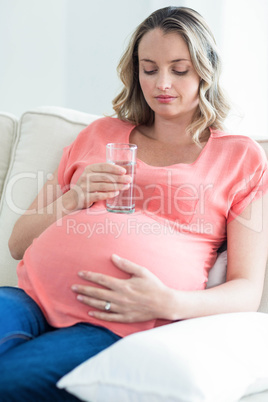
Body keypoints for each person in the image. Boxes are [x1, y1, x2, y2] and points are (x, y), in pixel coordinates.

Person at [1, 6, 268, 401]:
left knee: (10, 382)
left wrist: (169, 302)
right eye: (149, 68)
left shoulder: (240, 158)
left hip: (117, 322)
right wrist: (76, 197)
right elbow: (17, 243)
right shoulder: (100, 134)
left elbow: (247, 289)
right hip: (30, 298)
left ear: (205, 71)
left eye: (179, 69)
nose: (162, 83)